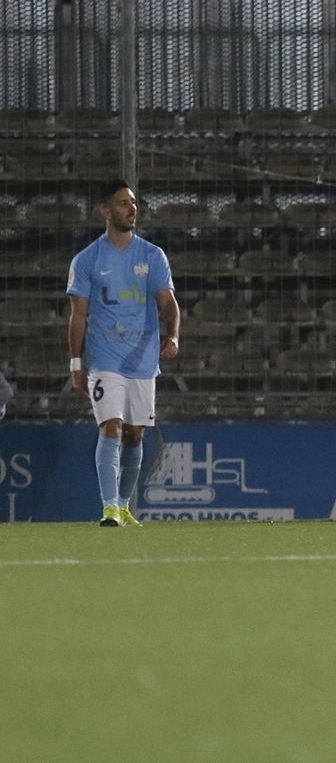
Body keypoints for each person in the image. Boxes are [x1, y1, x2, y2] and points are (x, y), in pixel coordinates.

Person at [66, 179, 180, 527]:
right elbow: (79, 315)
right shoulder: (87, 260)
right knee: (111, 427)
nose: (132, 208)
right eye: (123, 203)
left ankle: (125, 503)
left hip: (142, 358)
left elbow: (168, 302)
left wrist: (173, 334)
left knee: (135, 433)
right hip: (105, 358)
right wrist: (76, 363)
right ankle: (109, 506)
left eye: (133, 202)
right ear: (105, 212)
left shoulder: (152, 255)